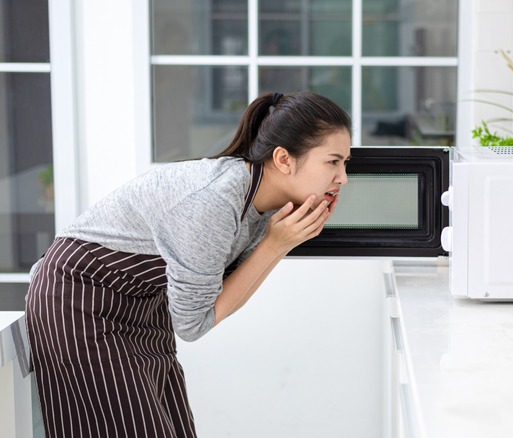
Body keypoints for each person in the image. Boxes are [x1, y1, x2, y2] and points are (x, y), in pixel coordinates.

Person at [24, 91, 351, 437]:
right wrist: (274, 246)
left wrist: (278, 243)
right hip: (80, 301)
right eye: (333, 162)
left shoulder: (263, 205)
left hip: (141, 306)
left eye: (345, 163)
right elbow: (194, 324)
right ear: (284, 159)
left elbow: (217, 297)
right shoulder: (214, 202)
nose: (343, 177)